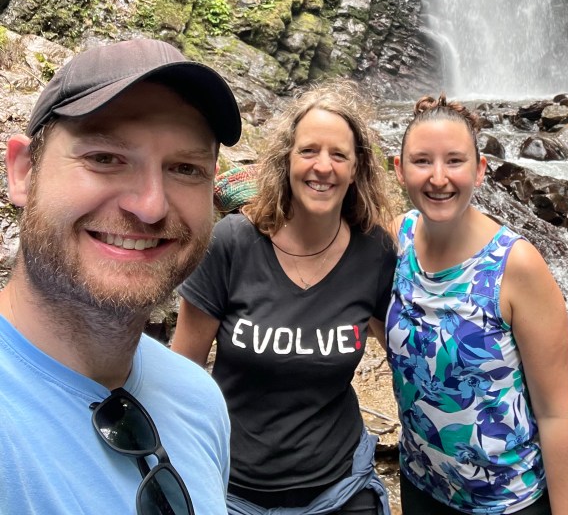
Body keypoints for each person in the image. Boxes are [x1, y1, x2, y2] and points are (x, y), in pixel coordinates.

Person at [0, 36, 242, 515]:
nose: (150, 206)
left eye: (185, 168)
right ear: (23, 172)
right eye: (104, 158)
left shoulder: (199, 400)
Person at [172, 81, 398, 515]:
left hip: (340, 488)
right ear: (287, 160)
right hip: (232, 489)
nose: (323, 167)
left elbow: (408, 358)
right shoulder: (232, 243)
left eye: (339, 155)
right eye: (309, 151)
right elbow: (182, 372)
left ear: (356, 169)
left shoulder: (374, 253)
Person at [386, 95, 568, 515]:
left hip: (506, 501)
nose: (439, 177)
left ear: (479, 170)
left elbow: (556, 415)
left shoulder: (516, 265)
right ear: (400, 170)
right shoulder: (399, 238)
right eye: (422, 161)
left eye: (455, 161)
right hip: (421, 482)